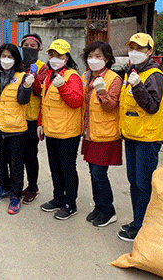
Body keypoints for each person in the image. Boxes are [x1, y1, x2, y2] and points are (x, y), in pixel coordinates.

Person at [118, 33, 163, 242]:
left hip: (147, 138)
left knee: (143, 183)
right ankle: (137, 221)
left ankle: (142, 226)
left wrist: (138, 86)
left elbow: (152, 106)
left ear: (150, 51)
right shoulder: (132, 71)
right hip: (132, 136)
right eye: (131, 48)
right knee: (133, 182)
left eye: (139, 48)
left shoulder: (154, 75)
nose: (134, 52)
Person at [33, 39, 84, 220]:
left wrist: (62, 87)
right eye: (52, 55)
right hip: (51, 130)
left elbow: (76, 101)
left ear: (67, 57)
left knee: (67, 168)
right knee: (55, 167)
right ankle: (58, 198)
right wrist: (41, 123)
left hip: (68, 132)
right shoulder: (48, 75)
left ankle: (70, 203)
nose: (55, 59)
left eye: (59, 56)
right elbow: (45, 102)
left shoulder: (72, 77)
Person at [81, 41, 122, 228]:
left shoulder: (114, 79)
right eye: (90, 56)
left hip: (105, 133)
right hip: (90, 132)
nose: (94, 60)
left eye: (98, 56)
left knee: (99, 173)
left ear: (107, 58)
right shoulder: (86, 75)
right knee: (92, 172)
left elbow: (111, 106)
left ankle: (109, 210)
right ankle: (98, 206)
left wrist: (102, 92)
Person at [0, 43, 33, 214]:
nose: (6, 60)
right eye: (3, 56)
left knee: (15, 163)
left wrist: (27, 87)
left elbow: (22, 100)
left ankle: (15, 194)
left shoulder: (22, 77)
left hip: (15, 128)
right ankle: (3, 186)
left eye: (10, 57)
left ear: (16, 59)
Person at [19, 33, 47, 204]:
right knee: (15, 154)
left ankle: (33, 186)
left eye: (33, 45)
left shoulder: (42, 67)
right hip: (16, 117)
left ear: (39, 48)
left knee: (30, 155)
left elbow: (40, 91)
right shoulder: (18, 64)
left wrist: (33, 78)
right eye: (26, 45)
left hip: (32, 118)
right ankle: (15, 185)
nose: (28, 48)